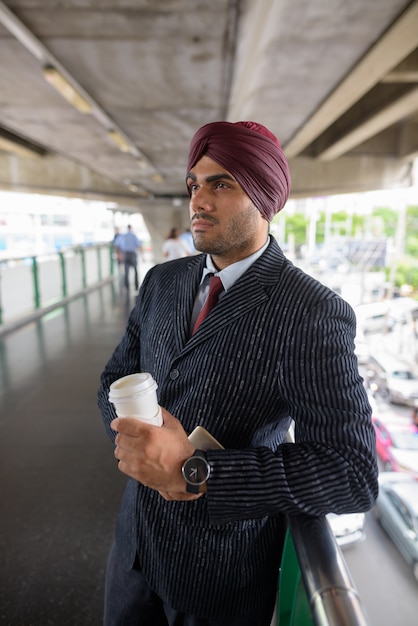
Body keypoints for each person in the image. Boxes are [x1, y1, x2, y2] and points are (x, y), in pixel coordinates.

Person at [98, 120, 378, 626]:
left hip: (219, 575)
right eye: (194, 184)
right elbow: (114, 376)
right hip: (134, 547)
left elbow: (351, 472)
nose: (198, 201)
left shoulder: (310, 311)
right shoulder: (163, 281)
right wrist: (134, 440)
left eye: (220, 183)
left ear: (265, 198)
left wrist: (196, 469)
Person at [114, 224, 142, 291]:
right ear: (131, 228)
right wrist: (140, 253)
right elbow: (139, 245)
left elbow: (116, 245)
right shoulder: (134, 235)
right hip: (132, 254)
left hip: (125, 254)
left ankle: (127, 287)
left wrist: (119, 254)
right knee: (135, 270)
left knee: (126, 271)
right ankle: (136, 286)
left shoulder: (122, 236)